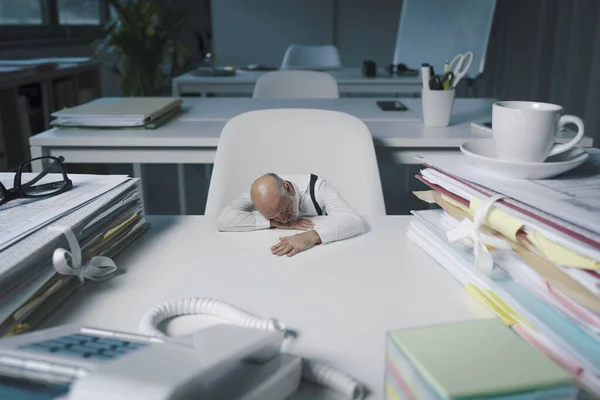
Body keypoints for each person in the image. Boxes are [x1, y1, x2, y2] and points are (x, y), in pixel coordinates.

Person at [217, 173, 367, 257]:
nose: (283, 219)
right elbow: (224, 220)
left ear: (287, 187)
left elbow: (354, 221)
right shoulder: (261, 192)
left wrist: (310, 237)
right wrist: (275, 223)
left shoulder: (318, 187)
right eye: (273, 215)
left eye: (283, 210)